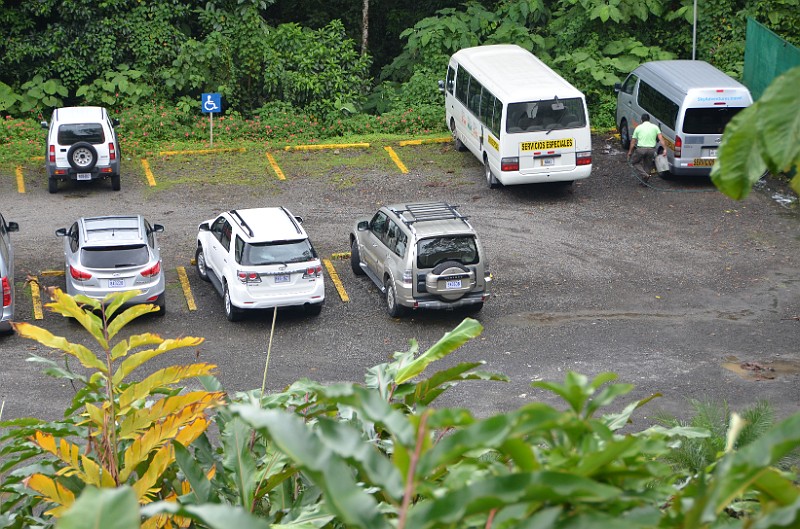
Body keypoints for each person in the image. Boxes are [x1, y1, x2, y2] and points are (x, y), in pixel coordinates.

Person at [627, 113, 666, 182]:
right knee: (647, 166)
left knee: (634, 162)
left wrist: (630, 152)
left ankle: (644, 174)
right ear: (649, 120)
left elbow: (633, 141)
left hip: (641, 149)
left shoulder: (638, 128)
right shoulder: (655, 127)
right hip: (651, 150)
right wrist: (665, 149)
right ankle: (645, 182)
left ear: (641, 120)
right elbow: (661, 138)